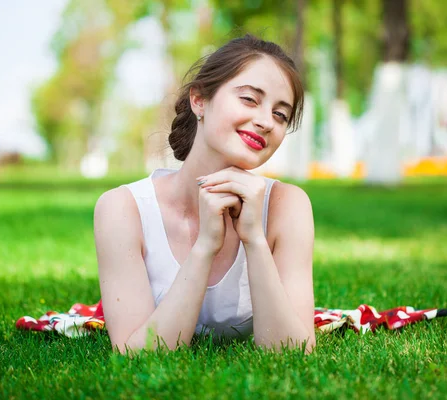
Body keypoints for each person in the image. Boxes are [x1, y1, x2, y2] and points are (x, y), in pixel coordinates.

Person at [94, 34, 316, 354]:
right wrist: (205, 247)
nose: (266, 121)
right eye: (250, 99)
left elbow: (292, 353)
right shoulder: (123, 209)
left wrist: (253, 239)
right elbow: (136, 355)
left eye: (280, 114)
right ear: (199, 100)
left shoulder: (288, 206)